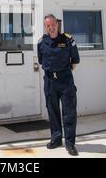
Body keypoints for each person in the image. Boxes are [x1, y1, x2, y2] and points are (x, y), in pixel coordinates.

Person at [37, 14, 80, 156]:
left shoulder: (68, 40)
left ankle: (70, 144)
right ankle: (56, 139)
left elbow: (74, 60)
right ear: (46, 27)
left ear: (57, 24)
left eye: (53, 24)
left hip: (65, 81)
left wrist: (63, 73)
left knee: (69, 113)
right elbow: (42, 61)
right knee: (52, 112)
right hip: (50, 82)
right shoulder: (41, 42)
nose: (51, 27)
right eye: (48, 25)